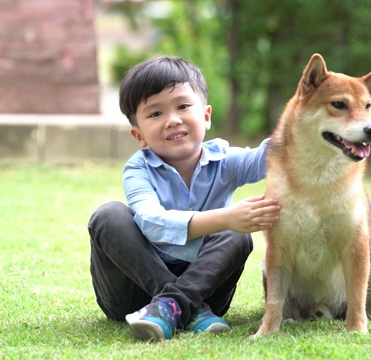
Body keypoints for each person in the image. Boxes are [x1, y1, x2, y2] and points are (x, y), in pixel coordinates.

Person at [87, 56, 280, 342]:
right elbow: (152, 222)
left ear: (206, 115)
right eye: (155, 114)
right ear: (138, 135)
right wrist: (225, 217)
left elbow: (273, 154)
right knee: (108, 215)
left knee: (237, 236)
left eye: (183, 106)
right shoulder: (138, 169)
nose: (172, 119)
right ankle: (185, 307)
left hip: (207, 288)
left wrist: (304, 116)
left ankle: (174, 306)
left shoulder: (226, 161)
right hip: (131, 295)